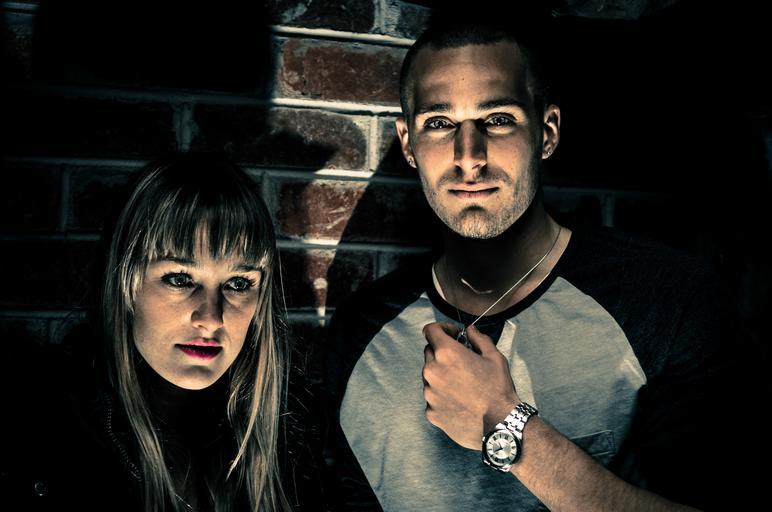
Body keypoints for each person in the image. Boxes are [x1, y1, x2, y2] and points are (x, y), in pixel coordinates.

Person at [319, 18, 762, 512]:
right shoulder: (359, 335)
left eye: (497, 119)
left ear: (547, 132)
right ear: (408, 144)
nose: (469, 158)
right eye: (440, 124)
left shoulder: (669, 300)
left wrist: (507, 426)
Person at [1, 154, 319, 511]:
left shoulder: (294, 443)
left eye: (238, 283)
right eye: (180, 279)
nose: (211, 318)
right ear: (126, 284)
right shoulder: (39, 435)